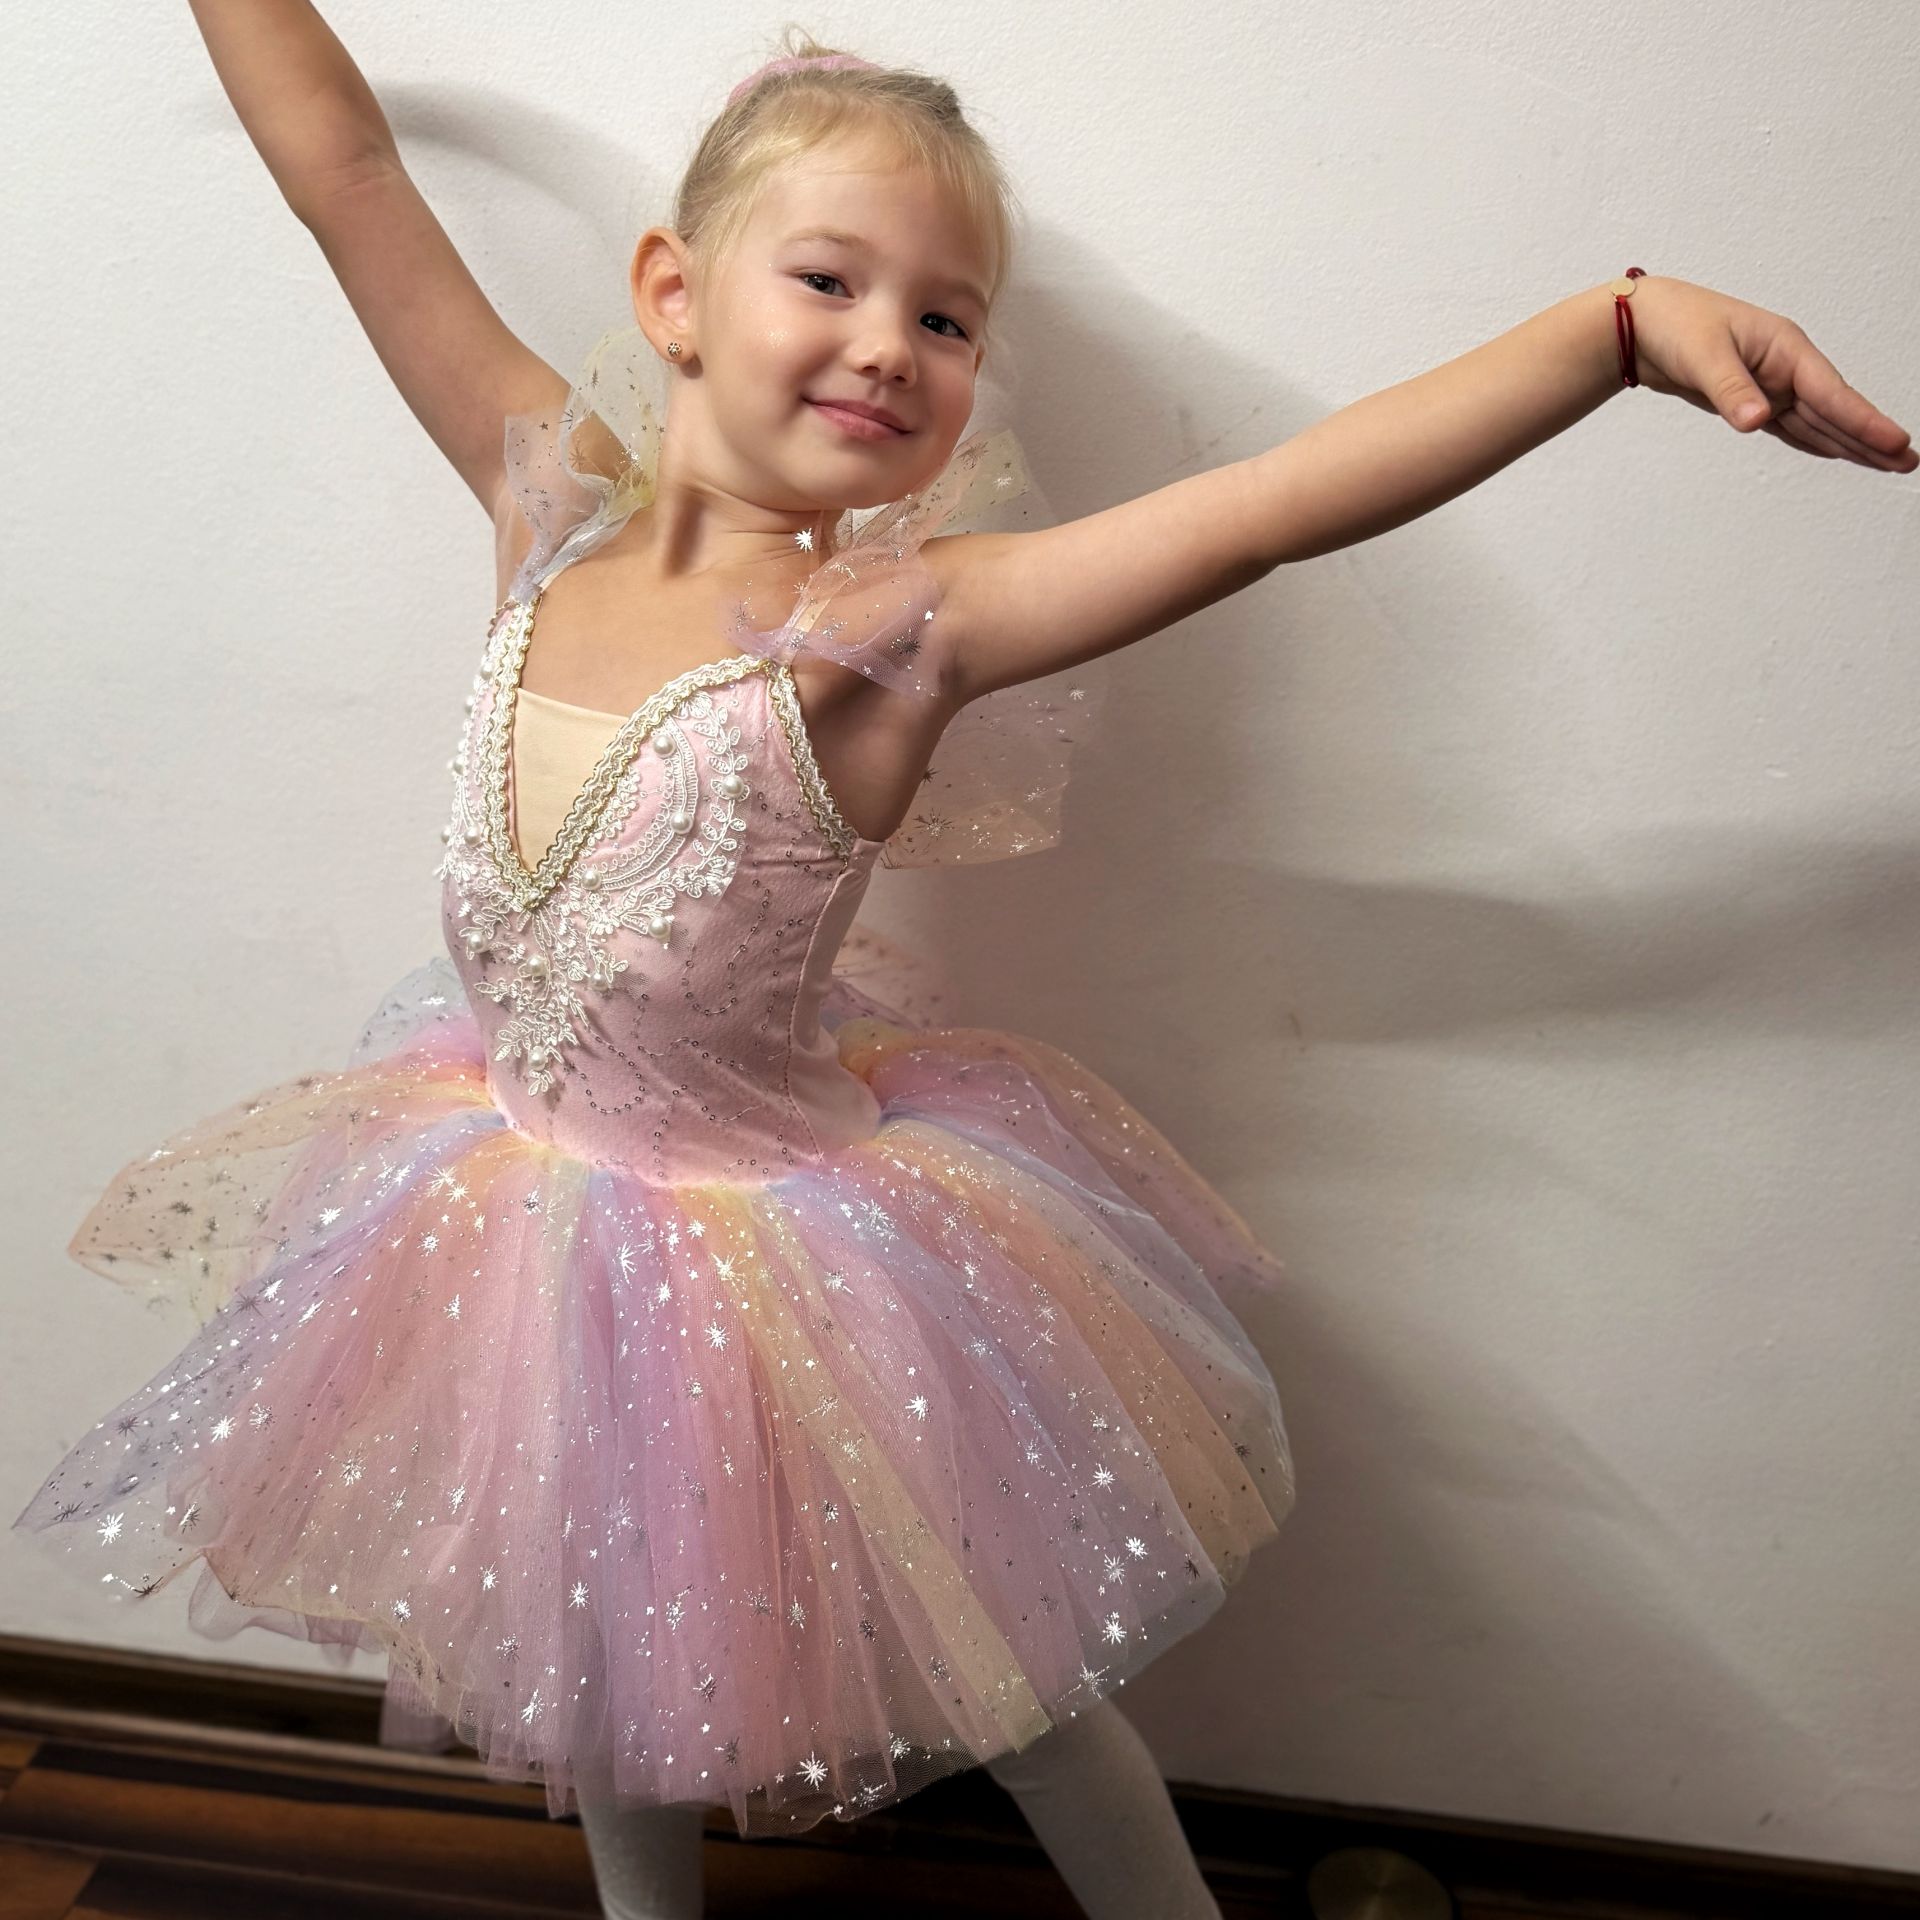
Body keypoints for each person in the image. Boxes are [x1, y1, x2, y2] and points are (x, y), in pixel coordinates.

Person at [14, 9, 1912, 1920]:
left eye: (944, 318)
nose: (886, 344)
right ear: (674, 295)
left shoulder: (894, 627)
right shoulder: (548, 509)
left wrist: (1614, 332)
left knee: (1017, 1686)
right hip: (519, 1227)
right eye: (828, 279)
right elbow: (347, 179)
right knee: (592, 1643)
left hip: (782, 1269)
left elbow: (1265, 512)